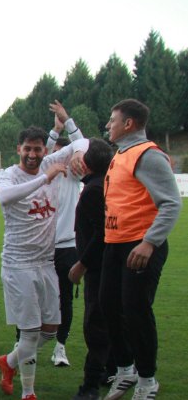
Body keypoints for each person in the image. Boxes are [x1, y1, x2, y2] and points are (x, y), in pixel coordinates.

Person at [0, 124, 88, 400]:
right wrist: (45, 178)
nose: (32, 154)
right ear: (18, 149)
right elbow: (5, 197)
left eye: (37, 149)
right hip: (18, 264)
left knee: (50, 330)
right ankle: (28, 392)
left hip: (46, 262)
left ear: (44, 150)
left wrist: (77, 153)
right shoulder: (9, 175)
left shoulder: (50, 161)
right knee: (31, 333)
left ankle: (9, 362)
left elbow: (85, 143)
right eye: (27, 149)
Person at [98, 99, 181, 400]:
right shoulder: (121, 154)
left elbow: (171, 203)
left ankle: (147, 380)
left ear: (128, 124)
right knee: (108, 307)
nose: (108, 125)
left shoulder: (148, 155)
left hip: (140, 245)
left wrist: (149, 242)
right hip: (115, 244)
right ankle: (126, 370)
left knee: (136, 313)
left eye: (112, 120)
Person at [67, 138, 115, 400]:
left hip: (98, 268)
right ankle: (114, 371)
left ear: (86, 163)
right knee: (109, 320)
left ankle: (91, 385)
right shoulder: (103, 184)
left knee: (95, 325)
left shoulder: (94, 190)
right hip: (107, 266)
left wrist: (81, 264)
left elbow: (100, 234)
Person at [43, 100, 85, 367]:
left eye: (64, 154)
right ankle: (21, 343)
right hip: (42, 247)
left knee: (65, 299)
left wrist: (67, 121)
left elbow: (83, 144)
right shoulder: (41, 175)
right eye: (55, 154)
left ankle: (60, 347)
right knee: (36, 297)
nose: (58, 158)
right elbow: (39, 155)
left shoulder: (73, 174)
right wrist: (55, 131)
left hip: (68, 247)